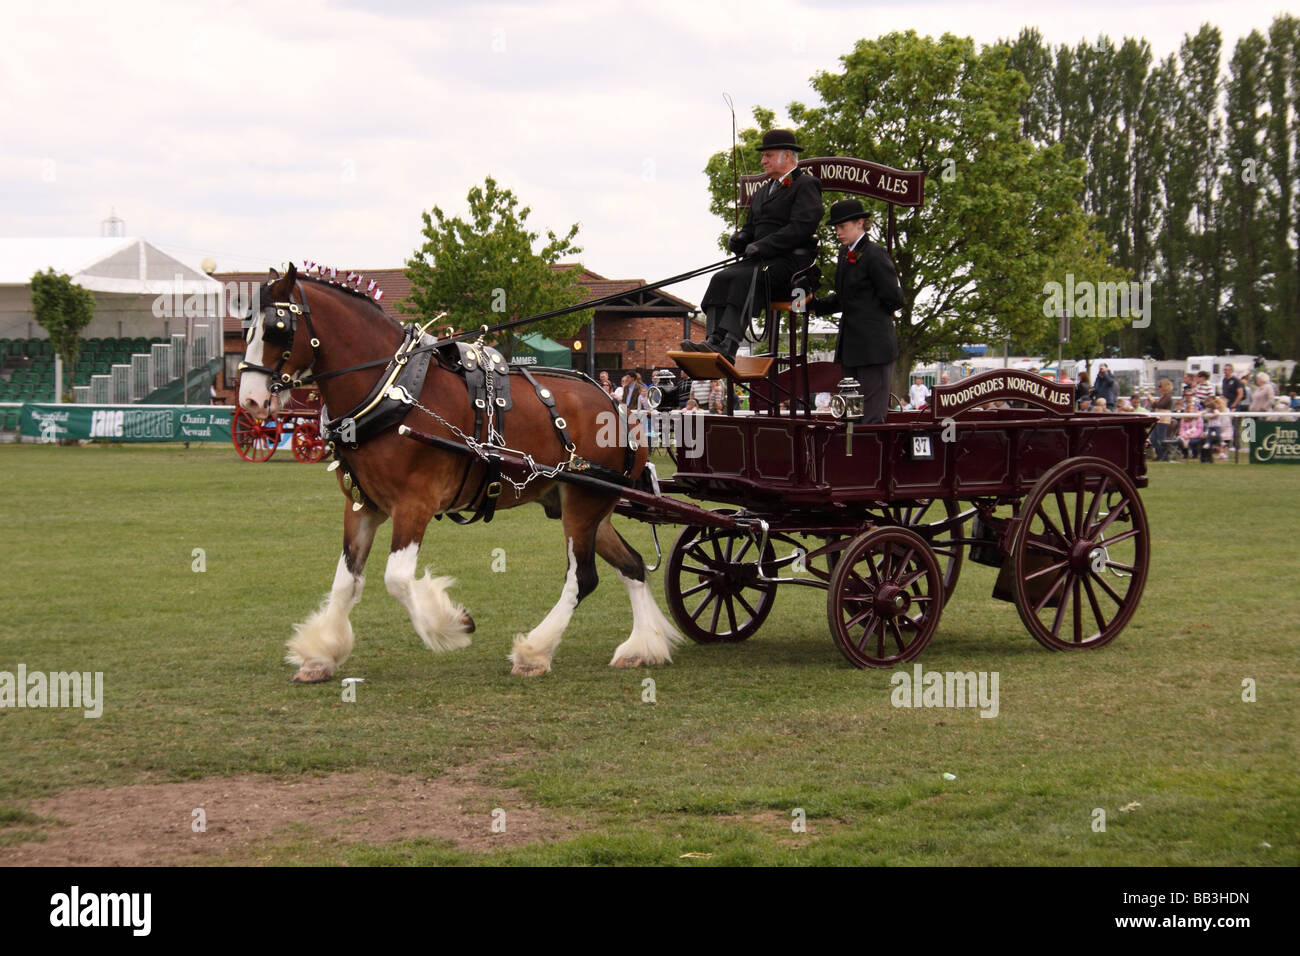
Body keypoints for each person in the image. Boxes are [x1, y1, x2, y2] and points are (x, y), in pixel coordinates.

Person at [685, 129, 822, 362]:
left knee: (744, 277)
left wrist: (764, 245)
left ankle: (729, 344)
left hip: (790, 264)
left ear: (787, 155)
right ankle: (713, 340)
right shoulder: (761, 192)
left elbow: (801, 227)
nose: (763, 161)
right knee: (721, 277)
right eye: (764, 156)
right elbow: (751, 228)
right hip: (762, 260)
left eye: (768, 155)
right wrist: (740, 240)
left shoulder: (806, 185)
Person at [808, 198, 904, 424]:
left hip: (874, 348)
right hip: (852, 348)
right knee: (850, 414)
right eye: (836, 228)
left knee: (871, 415)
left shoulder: (875, 254)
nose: (838, 232)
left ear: (860, 223)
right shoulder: (844, 255)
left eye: (843, 227)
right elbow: (843, 299)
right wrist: (813, 303)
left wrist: (870, 318)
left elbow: (895, 298)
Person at [1151, 379, 1174, 461]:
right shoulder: (1162, 397)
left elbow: (1160, 405)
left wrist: (1152, 401)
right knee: (1153, 439)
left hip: (1163, 420)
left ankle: (1164, 456)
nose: (1158, 388)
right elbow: (1155, 406)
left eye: (1160, 386)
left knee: (1161, 439)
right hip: (1158, 419)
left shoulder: (1168, 397)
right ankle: (1160, 454)